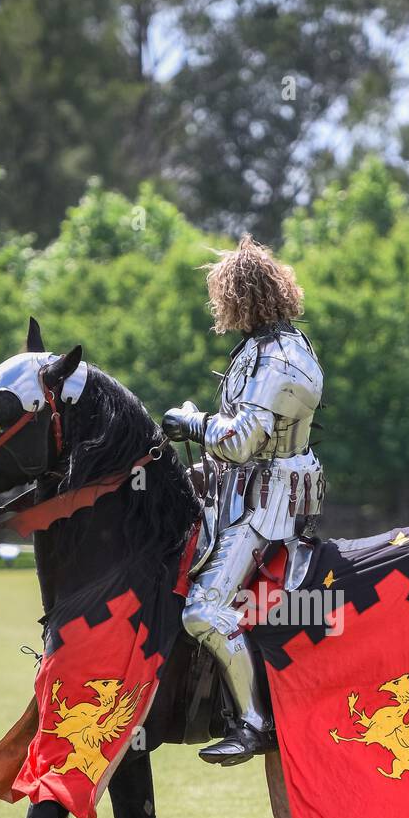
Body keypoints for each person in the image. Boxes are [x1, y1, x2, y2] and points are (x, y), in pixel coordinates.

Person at [162, 236, 324, 766]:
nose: (218, 308)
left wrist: (191, 421)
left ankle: (254, 722)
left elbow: (241, 441)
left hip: (270, 500)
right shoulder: (263, 346)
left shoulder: (281, 358)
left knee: (203, 610)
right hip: (244, 488)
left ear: (241, 296)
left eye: (222, 296)